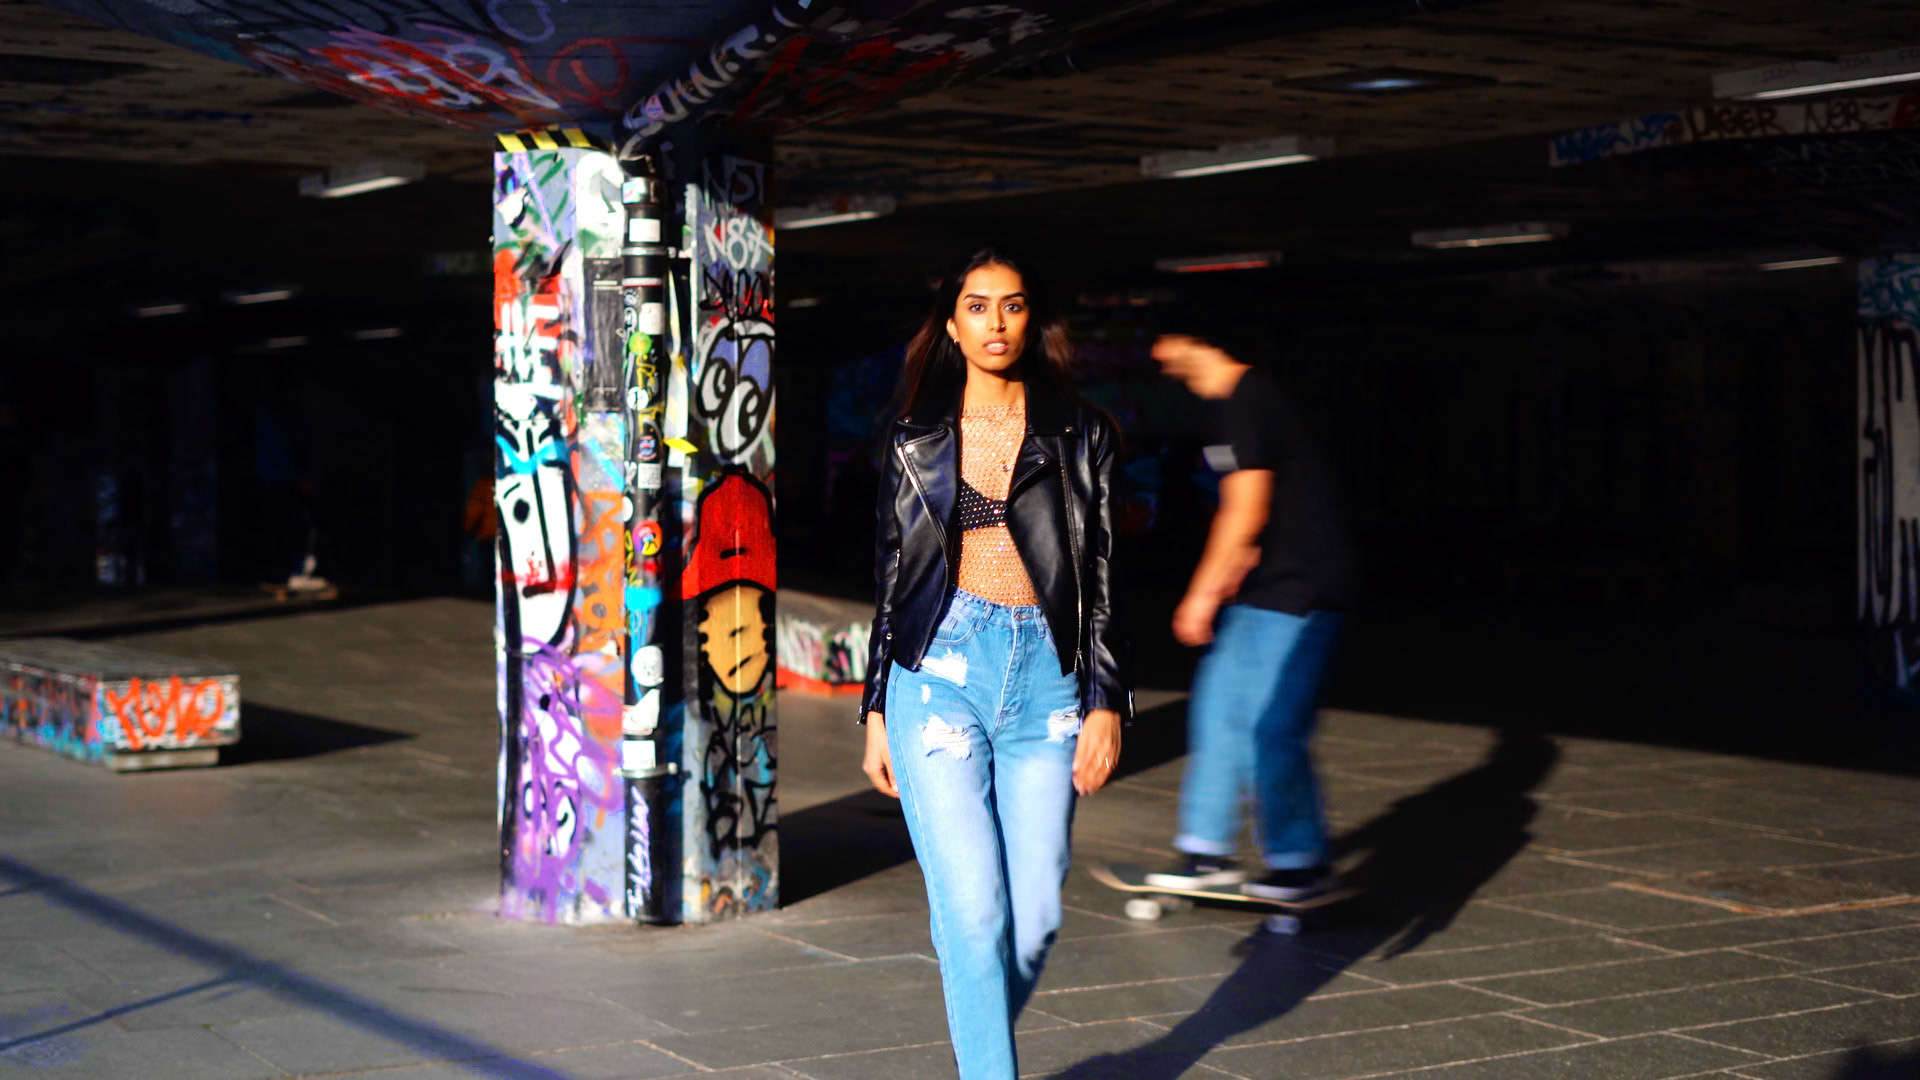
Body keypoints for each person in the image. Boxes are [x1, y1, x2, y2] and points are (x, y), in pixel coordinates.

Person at [861, 246, 1131, 1080]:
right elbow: (893, 576)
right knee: (974, 914)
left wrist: (1106, 698)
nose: (996, 323)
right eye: (977, 307)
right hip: (939, 674)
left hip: (1048, 680)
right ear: (952, 325)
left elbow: (1101, 572)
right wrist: (876, 707)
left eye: (1012, 306)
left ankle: (977, 1027)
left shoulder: (1082, 433)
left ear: (1031, 318)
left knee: (1035, 914)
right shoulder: (914, 438)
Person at [1144, 322, 1354, 902]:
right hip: (1262, 589)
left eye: (1162, 339)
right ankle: (1206, 852)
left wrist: (1201, 594)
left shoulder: (1250, 398)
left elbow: (1246, 509)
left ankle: (1301, 860)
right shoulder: (1233, 404)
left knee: (1270, 728)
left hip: (1300, 590)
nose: (1156, 355)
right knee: (1218, 715)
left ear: (1195, 338)